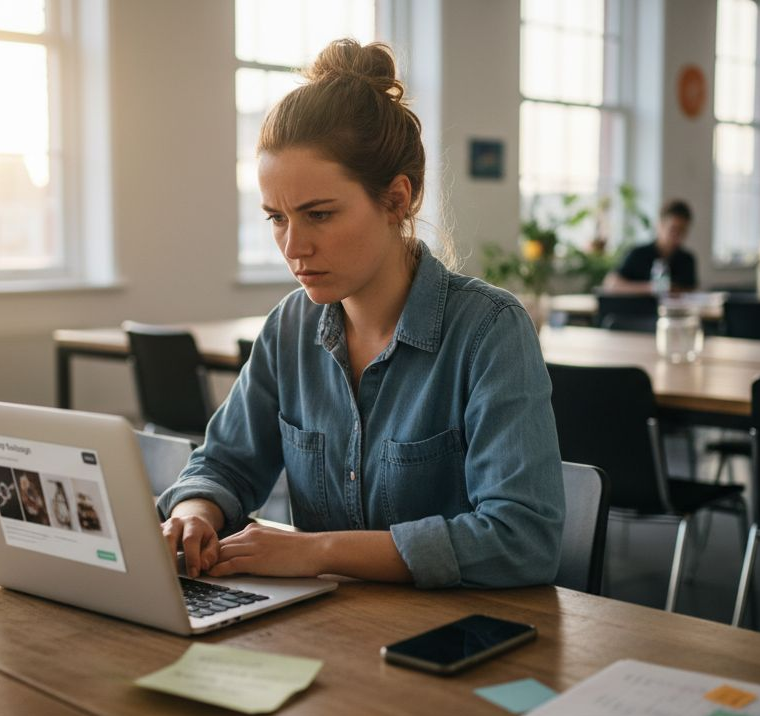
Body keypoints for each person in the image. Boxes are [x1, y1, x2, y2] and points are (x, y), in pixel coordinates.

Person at [156, 39, 565, 589]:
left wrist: (316, 551)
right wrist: (195, 514)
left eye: (319, 215)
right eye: (276, 218)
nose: (293, 247)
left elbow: (521, 539)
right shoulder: (289, 328)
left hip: (454, 638)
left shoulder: (490, 331)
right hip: (329, 630)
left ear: (398, 199)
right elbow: (224, 464)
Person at [602, 200, 699, 294]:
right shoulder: (638, 254)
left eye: (682, 230)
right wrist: (651, 288)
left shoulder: (687, 259)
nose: (677, 235)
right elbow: (611, 284)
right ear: (660, 225)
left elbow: (691, 290)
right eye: (673, 229)